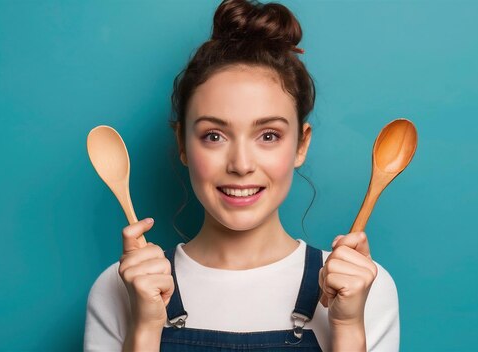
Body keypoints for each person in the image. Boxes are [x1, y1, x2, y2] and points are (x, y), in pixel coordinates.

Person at [84, 0, 400, 351]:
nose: (241, 164)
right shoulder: (119, 287)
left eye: (268, 135)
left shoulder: (364, 288)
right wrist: (143, 327)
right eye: (214, 136)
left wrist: (346, 326)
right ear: (183, 144)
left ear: (301, 144)